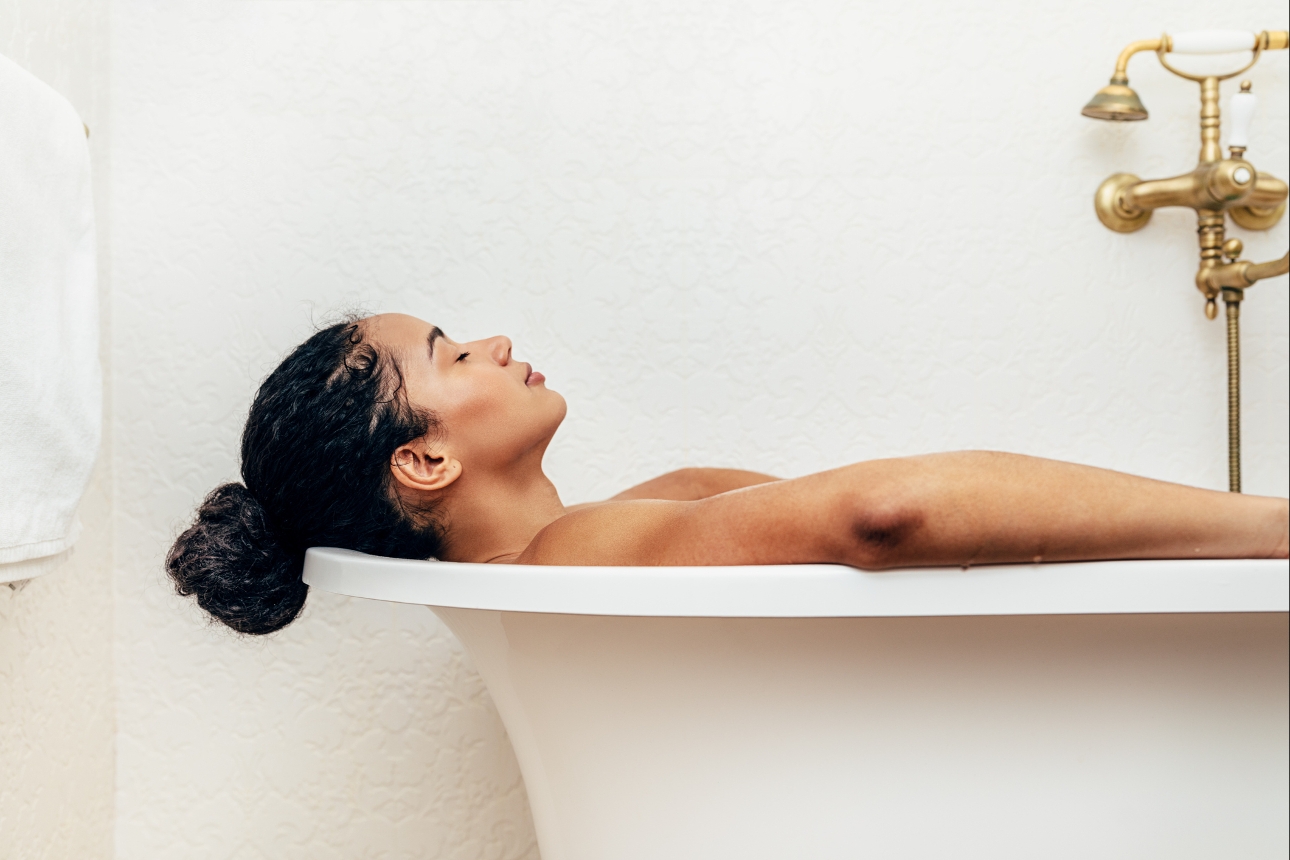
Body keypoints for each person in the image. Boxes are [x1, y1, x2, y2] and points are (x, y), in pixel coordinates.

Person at [166, 313, 1290, 635]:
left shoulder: (611, 532)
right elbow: (887, 512)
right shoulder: (574, 557)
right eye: (454, 356)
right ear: (425, 457)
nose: (498, 341)